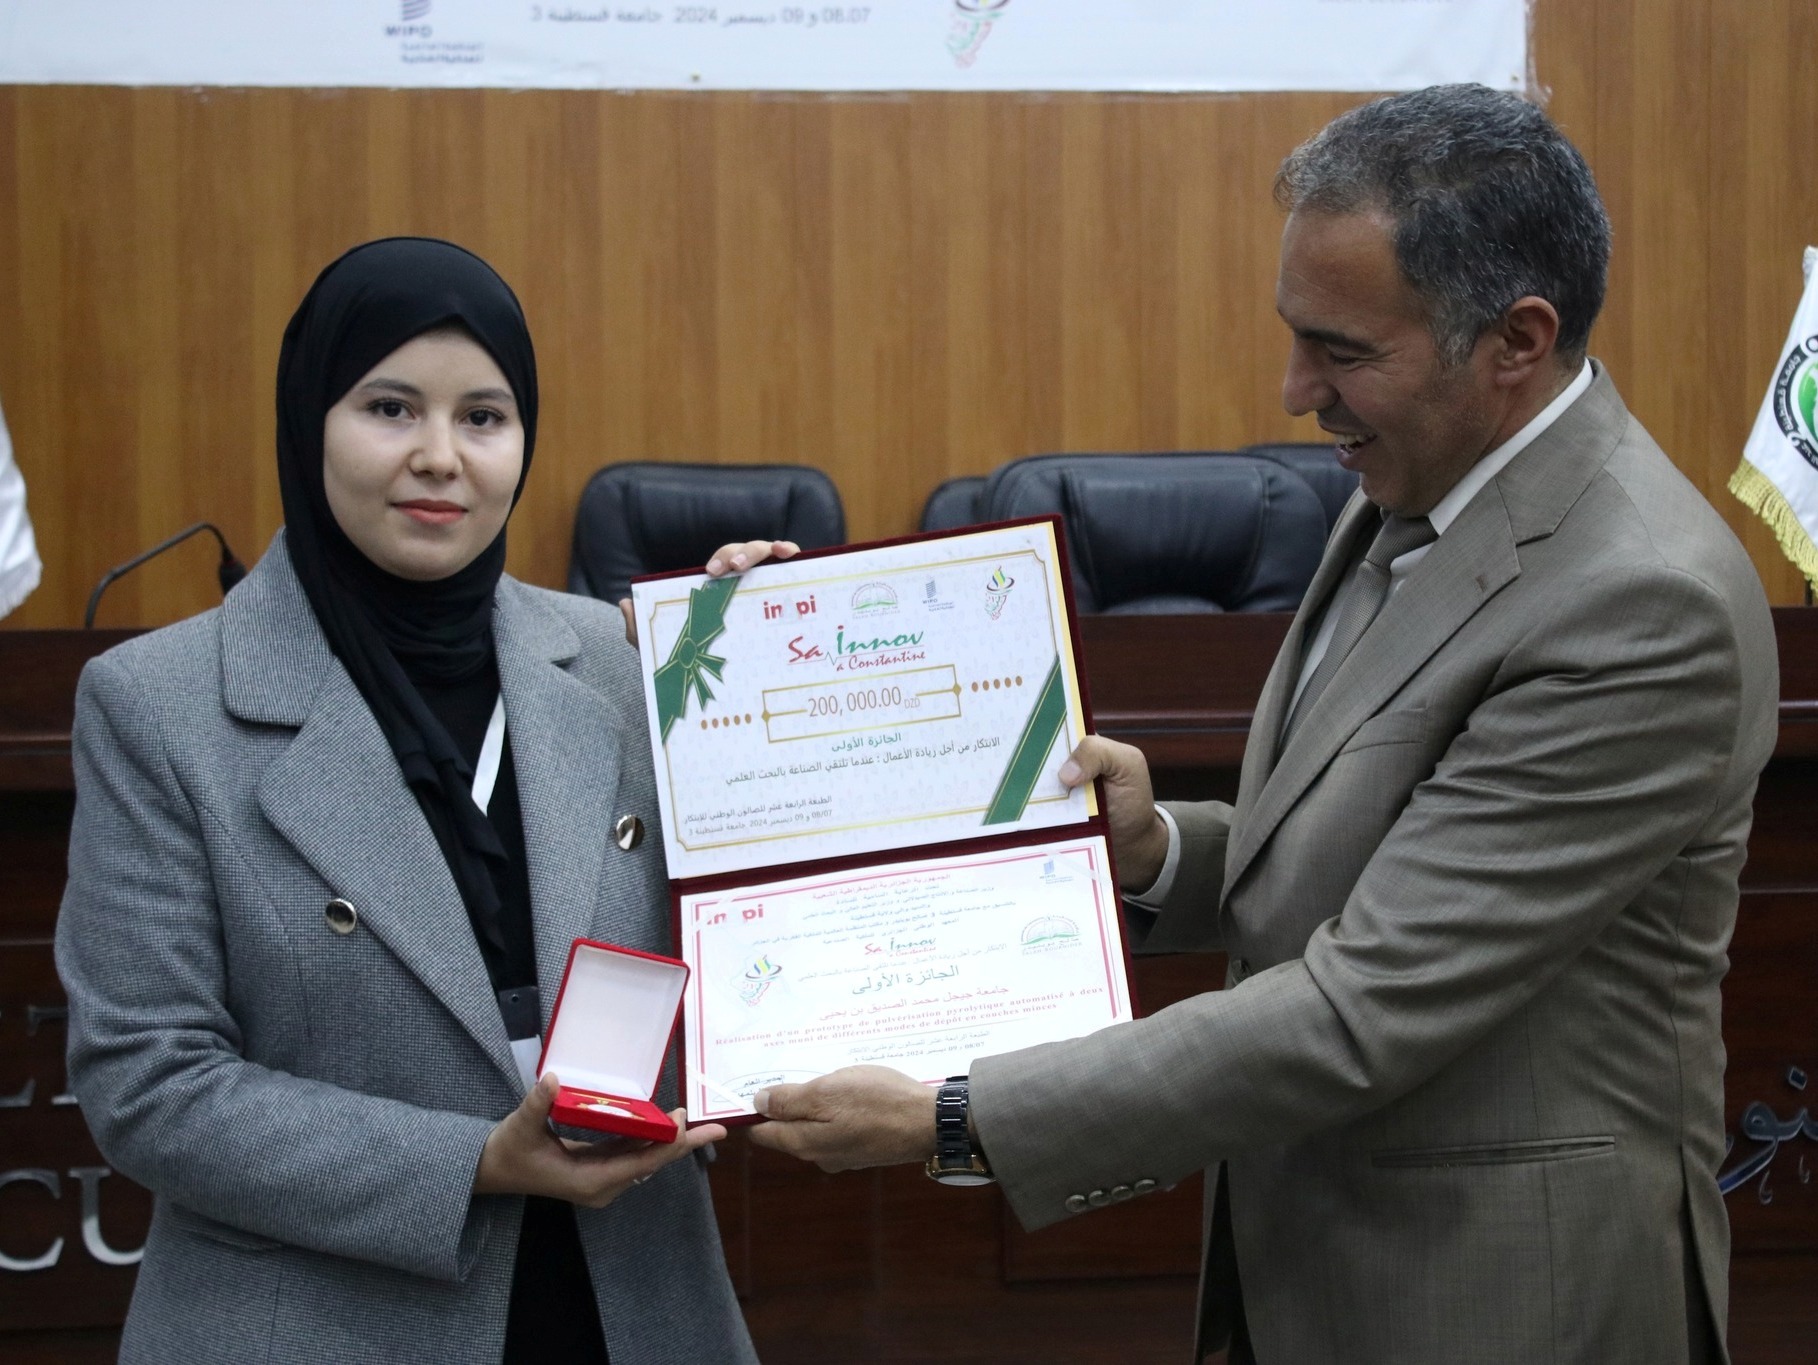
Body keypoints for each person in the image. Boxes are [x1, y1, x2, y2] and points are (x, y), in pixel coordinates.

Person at [746, 85, 1779, 1365]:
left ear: (1516, 340)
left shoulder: (1640, 603)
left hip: (1505, 1297)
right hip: (1317, 1261)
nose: (1296, 392)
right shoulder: (1417, 482)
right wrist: (1161, 855)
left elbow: (1370, 1002)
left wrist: (957, 1114)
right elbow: (1387, 848)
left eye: (1342, 351)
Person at [55, 238, 782, 1364]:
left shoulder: (627, 659)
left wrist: (781, 683)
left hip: (631, 1304)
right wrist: (476, 1162)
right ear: (311, 422)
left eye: (484, 419)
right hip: (323, 1319)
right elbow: (149, 1085)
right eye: (391, 408)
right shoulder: (157, 706)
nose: (441, 457)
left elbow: (759, 928)